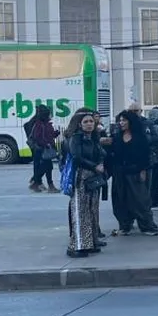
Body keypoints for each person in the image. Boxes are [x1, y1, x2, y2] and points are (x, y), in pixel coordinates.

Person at [108, 109, 158, 235]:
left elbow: (144, 155)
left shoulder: (140, 137)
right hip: (120, 173)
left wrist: (143, 170)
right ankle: (125, 225)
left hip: (135, 171)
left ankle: (147, 225)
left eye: (124, 120)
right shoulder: (117, 137)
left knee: (140, 200)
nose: (121, 123)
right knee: (120, 200)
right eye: (120, 120)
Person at [65, 109, 107, 257]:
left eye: (91, 121)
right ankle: (76, 246)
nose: (89, 124)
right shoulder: (76, 138)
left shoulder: (94, 137)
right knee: (80, 211)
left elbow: (101, 153)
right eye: (86, 122)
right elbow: (76, 157)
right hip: (81, 178)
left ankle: (91, 242)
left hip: (94, 179)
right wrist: (94, 166)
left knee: (92, 211)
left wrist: (100, 163)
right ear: (79, 124)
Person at [27, 104, 59, 193]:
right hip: (42, 149)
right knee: (47, 167)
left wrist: (56, 134)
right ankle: (41, 183)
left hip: (46, 148)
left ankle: (38, 182)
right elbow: (37, 137)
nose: (51, 115)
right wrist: (46, 144)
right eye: (49, 114)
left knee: (47, 167)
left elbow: (49, 135)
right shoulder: (39, 124)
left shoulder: (46, 124)